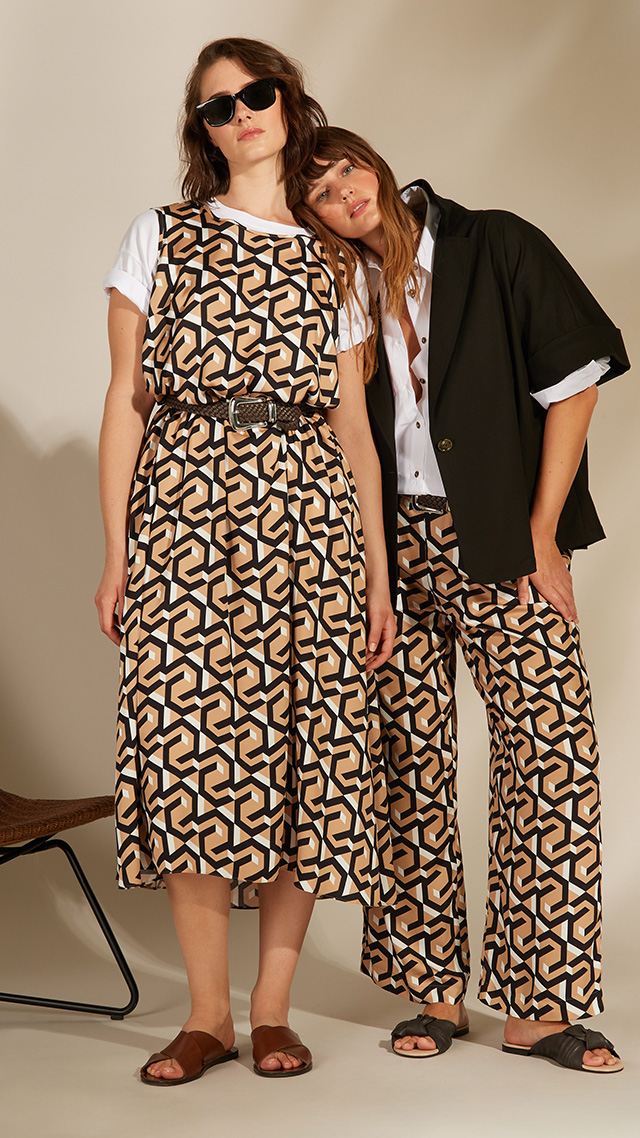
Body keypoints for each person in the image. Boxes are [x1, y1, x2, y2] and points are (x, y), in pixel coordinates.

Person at [295, 126, 630, 1074]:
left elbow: (575, 387)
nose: (343, 191)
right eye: (318, 191)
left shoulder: (495, 243)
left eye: (346, 168)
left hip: (499, 538)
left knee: (550, 757)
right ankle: (431, 991)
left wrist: (541, 530)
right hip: (384, 547)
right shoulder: (336, 287)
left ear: (375, 165)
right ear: (314, 216)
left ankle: (541, 1007)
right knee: (407, 761)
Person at [95, 48, 396, 1086]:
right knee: (190, 755)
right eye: (217, 107)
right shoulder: (161, 234)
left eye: (255, 95)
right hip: (183, 516)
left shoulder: (335, 262)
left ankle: (271, 1012)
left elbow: (355, 431)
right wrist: (116, 552)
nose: (240, 115)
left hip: (309, 523)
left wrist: (377, 578)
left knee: (304, 762)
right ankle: (205, 1016)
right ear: (205, 130)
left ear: (288, 103)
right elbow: (124, 399)